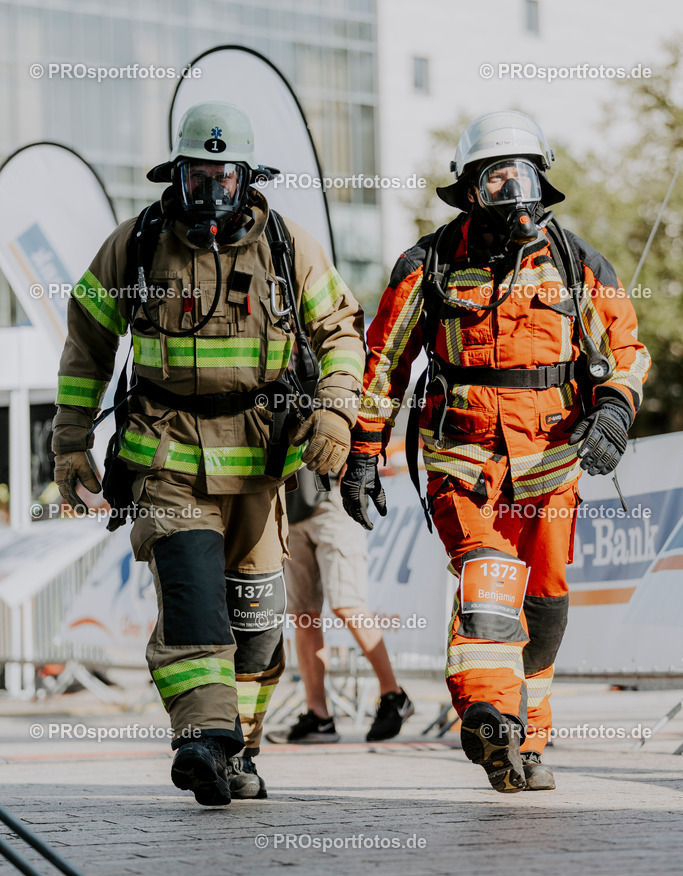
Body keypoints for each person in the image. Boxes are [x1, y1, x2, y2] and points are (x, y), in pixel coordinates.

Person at [52, 101, 365, 806]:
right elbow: (87, 345)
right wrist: (70, 442)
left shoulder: (288, 245)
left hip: (261, 465)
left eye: (224, 179)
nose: (211, 194)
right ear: (177, 176)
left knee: (255, 631)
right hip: (166, 456)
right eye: (198, 179)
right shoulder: (136, 245)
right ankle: (203, 739)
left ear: (248, 178)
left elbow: (342, 332)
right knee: (195, 606)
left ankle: (239, 749)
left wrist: (337, 410)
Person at [341, 110, 650, 792]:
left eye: (523, 174)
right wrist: (362, 452)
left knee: (544, 600)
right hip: (462, 457)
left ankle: (526, 745)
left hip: (552, 463)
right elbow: (382, 364)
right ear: (468, 188)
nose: (511, 190)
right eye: (494, 177)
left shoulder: (576, 262)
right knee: (486, 577)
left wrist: (613, 411)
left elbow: (626, 351)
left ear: (543, 181)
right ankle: (485, 712)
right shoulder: (427, 264)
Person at [266, 466, 414, 744]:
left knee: (348, 604)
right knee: (303, 615)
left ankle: (394, 696)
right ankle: (318, 717)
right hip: (288, 506)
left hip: (333, 499)